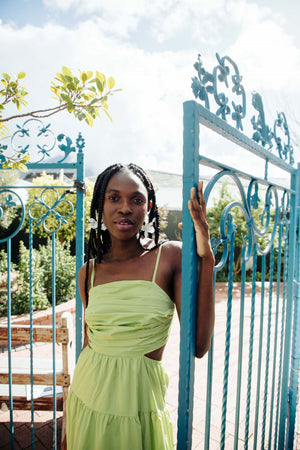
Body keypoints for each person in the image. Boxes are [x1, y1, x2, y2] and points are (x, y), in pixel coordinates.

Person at [66, 163, 215, 450]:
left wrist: (205, 256)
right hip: (87, 399)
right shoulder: (89, 271)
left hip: (140, 409)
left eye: (136, 199)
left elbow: (198, 345)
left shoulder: (170, 257)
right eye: (113, 198)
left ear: (148, 208)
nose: (125, 208)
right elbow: (89, 341)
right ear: (100, 206)